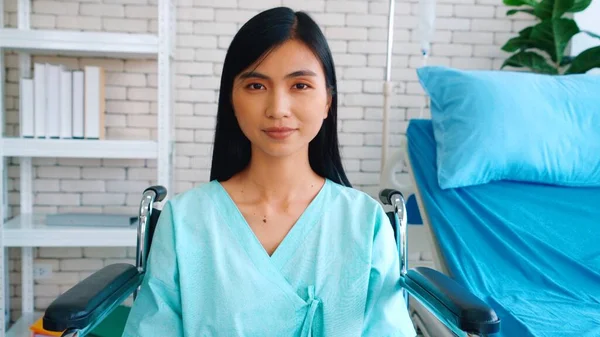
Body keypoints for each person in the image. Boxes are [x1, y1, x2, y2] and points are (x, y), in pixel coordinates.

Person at [122, 6, 417, 337]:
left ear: (327, 101)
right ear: (231, 101)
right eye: (256, 86)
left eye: (300, 85)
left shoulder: (365, 222)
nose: (278, 109)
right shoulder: (185, 220)